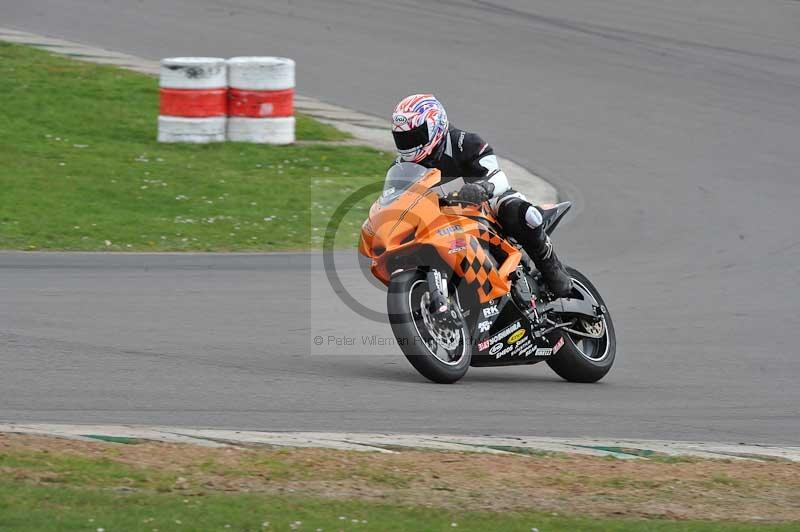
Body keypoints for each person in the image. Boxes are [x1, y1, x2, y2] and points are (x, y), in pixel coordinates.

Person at [390, 94, 572, 297]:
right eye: (403, 138)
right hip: (443, 221)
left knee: (521, 213)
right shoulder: (402, 168)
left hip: (486, 204)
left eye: (415, 136)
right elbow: (397, 202)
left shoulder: (464, 142)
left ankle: (554, 271)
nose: (408, 144)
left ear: (436, 126)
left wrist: (481, 188)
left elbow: (497, 176)